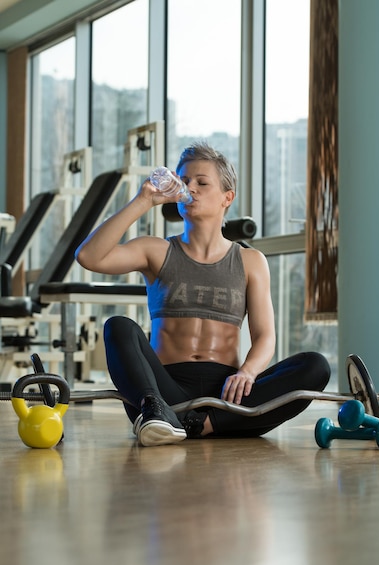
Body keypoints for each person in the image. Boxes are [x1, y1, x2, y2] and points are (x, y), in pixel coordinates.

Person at [75, 142, 330, 447]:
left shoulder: (250, 261)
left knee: (315, 366)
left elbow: (265, 337)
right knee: (118, 326)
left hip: (228, 395)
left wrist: (248, 373)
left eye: (201, 182)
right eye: (184, 181)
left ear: (227, 197)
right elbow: (89, 256)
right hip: (162, 390)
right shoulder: (156, 250)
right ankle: (158, 413)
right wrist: (143, 200)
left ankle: (204, 425)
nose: (189, 188)